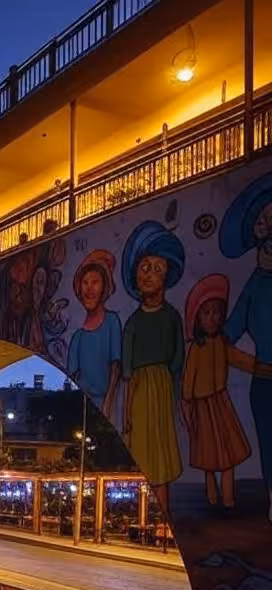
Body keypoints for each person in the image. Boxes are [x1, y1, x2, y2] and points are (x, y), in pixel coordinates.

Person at [121, 221, 185, 516]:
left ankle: (164, 516)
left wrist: (176, 397)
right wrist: (126, 415)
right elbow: (127, 373)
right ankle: (147, 514)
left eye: (157, 269)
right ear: (135, 274)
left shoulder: (172, 317)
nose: (149, 275)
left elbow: (177, 360)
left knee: (163, 455)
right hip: (141, 391)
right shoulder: (133, 323)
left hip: (162, 389)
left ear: (167, 276)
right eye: (144, 267)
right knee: (144, 454)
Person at [220, 172, 272, 521]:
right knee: (268, 445)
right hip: (265, 382)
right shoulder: (255, 285)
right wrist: (253, 365)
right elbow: (227, 336)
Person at [181, 274, 253, 507]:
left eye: (216, 312)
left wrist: (262, 366)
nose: (212, 318)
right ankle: (213, 498)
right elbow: (188, 382)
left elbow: (241, 360)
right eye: (206, 312)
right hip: (201, 408)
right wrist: (187, 406)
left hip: (221, 405)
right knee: (208, 459)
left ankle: (229, 499)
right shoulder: (196, 348)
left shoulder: (221, 343)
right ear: (198, 317)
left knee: (229, 455)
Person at [67, 250, 122, 418]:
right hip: (84, 409)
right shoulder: (78, 337)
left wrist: (107, 404)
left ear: (104, 287)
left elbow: (116, 367)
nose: (89, 289)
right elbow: (72, 379)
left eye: (95, 282)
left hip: (107, 405)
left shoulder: (112, 321)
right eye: (85, 283)